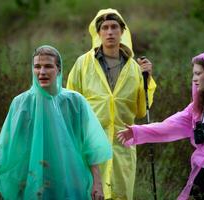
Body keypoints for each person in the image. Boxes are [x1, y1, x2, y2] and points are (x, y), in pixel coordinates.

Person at [0, 45, 112, 200]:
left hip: (71, 180)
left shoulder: (75, 101)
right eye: (37, 67)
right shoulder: (22, 103)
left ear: (58, 69)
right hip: (33, 180)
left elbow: (91, 148)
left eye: (48, 66)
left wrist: (97, 183)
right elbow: (5, 145)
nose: (42, 72)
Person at [118, 49, 204, 200]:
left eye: (199, 73)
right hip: (201, 174)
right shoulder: (197, 108)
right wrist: (137, 132)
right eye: (193, 74)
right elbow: (169, 127)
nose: (194, 79)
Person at [66, 8, 157, 200]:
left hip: (122, 147)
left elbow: (141, 111)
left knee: (120, 195)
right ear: (98, 33)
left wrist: (147, 80)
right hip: (90, 145)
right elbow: (70, 105)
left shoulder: (134, 68)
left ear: (122, 31)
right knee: (90, 193)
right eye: (105, 28)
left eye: (114, 27)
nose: (110, 32)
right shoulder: (83, 64)